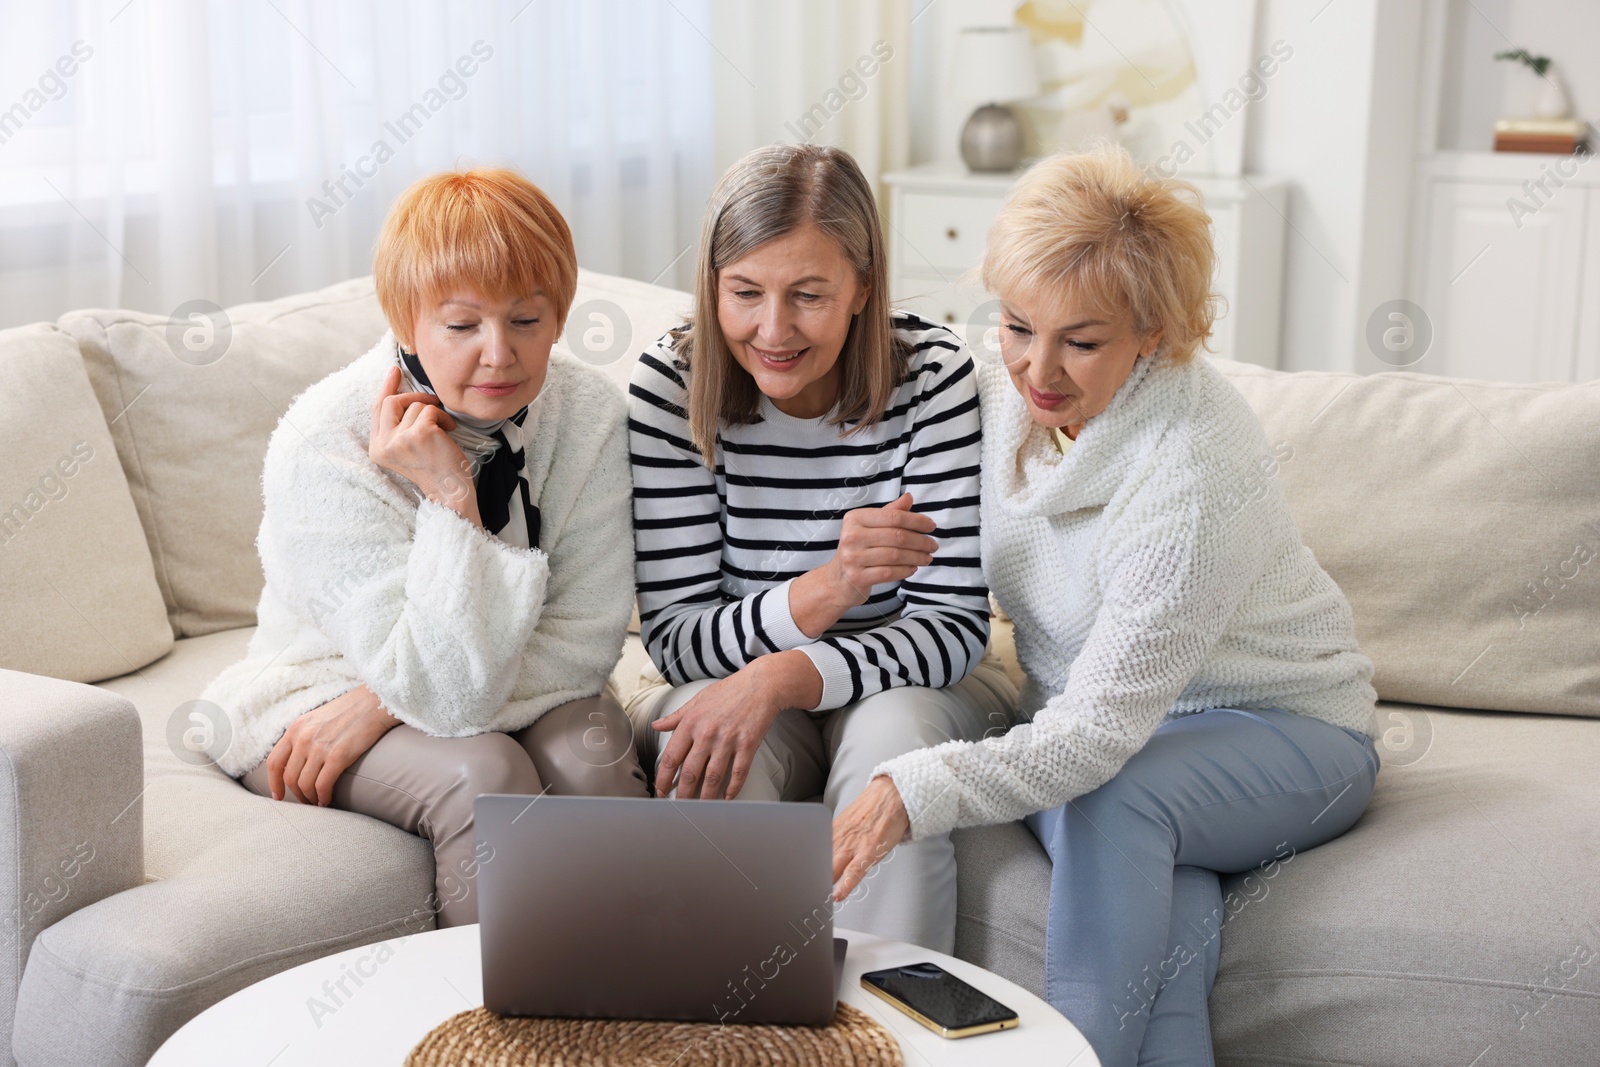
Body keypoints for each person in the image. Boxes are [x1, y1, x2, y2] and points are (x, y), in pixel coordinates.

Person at [829, 145, 1381, 1066]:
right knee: (1167, 931)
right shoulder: (1010, 399)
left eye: (1082, 341)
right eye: (1016, 326)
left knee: (1108, 797)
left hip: (1292, 732)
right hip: (1144, 745)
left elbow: (1094, 742)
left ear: (1154, 335)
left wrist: (911, 785)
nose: (1037, 369)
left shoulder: (1192, 465)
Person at [202, 167, 647, 928]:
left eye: (526, 321)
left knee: (592, 758)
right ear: (407, 324)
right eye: (462, 325)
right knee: (486, 771)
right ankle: (495, 1042)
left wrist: (379, 706)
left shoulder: (592, 416)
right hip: (320, 688)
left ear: (561, 317)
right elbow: (444, 695)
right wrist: (451, 500)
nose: (499, 355)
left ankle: (644, 1016)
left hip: (398, 689)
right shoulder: (324, 442)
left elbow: (582, 644)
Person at [626, 143, 1017, 953]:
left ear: (862, 288)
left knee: (893, 750)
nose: (773, 330)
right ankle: (733, 1032)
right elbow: (673, 638)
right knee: (708, 749)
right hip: (731, 684)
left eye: (808, 295)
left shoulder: (934, 377)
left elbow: (951, 629)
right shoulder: (671, 386)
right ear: (711, 286)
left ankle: (887, 1032)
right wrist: (822, 591)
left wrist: (785, 671)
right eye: (744, 293)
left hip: (908, 684)